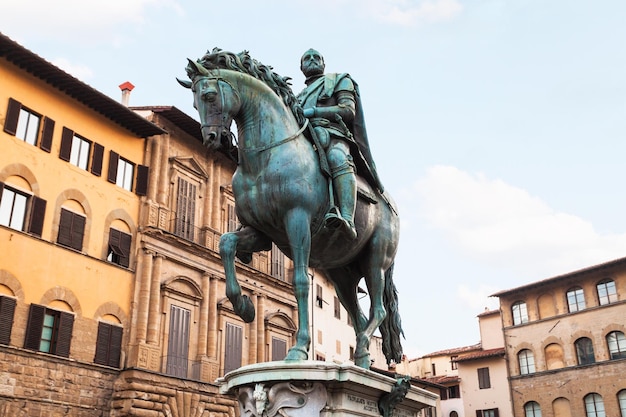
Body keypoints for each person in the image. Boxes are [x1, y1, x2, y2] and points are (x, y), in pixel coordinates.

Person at [297, 48, 384, 240]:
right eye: (307, 59)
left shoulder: (339, 80)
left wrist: (314, 112)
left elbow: (347, 110)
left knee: (337, 158)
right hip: (306, 138)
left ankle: (347, 219)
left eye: (316, 57)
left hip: (333, 134)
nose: (312, 60)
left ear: (323, 63)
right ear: (301, 67)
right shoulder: (299, 96)